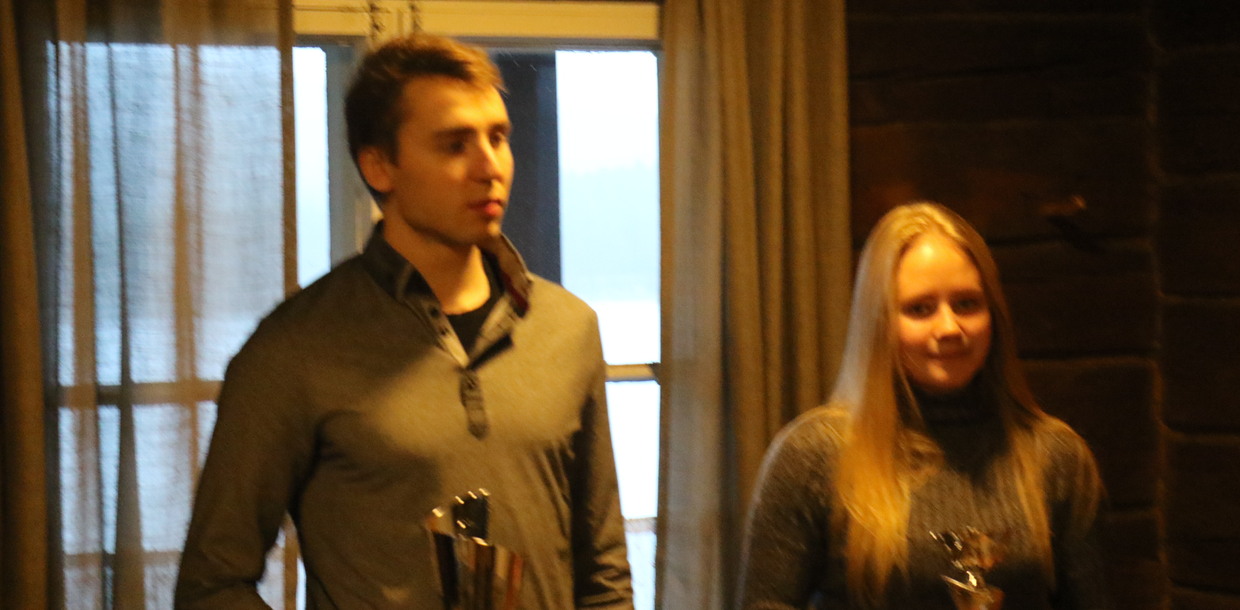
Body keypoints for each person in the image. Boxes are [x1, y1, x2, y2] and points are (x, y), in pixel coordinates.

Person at [176, 34, 633, 609]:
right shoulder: (294, 349)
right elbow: (212, 585)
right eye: (454, 145)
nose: (489, 166)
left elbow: (603, 569)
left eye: (498, 137)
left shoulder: (569, 327)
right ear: (380, 166)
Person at [736, 202, 1109, 609]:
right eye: (920, 309)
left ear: (994, 315)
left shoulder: (1057, 457)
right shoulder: (813, 456)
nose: (949, 328)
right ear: (880, 322)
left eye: (966, 304)